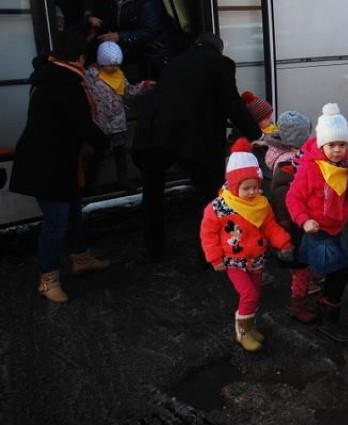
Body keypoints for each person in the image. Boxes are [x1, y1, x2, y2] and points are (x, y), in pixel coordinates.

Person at [132, 33, 262, 262]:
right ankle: (208, 253)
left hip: (151, 134)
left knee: (152, 194)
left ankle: (153, 250)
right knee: (208, 193)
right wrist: (256, 134)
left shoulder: (176, 60)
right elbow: (230, 102)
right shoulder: (221, 63)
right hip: (189, 138)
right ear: (218, 50)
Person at [9, 31, 110, 303]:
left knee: (73, 211)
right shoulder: (65, 84)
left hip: (59, 160)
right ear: (79, 59)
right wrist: (106, 141)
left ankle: (82, 258)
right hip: (47, 164)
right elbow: (82, 126)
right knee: (56, 221)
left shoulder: (49, 75)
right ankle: (48, 279)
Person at [285, 103, 348, 342]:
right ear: (321, 144)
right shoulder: (311, 169)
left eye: (342, 145)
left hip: (336, 230)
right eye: (332, 145)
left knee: (339, 273)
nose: (338, 150)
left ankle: (324, 304)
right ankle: (329, 320)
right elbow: (293, 198)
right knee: (340, 273)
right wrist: (304, 221)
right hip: (317, 232)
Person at [200, 138, 293, 352]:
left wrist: (284, 242)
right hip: (233, 260)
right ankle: (241, 332)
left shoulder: (261, 204)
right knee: (248, 294)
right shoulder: (219, 208)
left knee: (255, 294)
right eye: (247, 188)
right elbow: (208, 233)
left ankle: (249, 327)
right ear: (234, 186)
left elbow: (270, 226)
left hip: (256, 258)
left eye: (256, 187)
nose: (253, 192)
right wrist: (214, 257)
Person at [263, 109, 321, 324]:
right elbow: (287, 199)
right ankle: (298, 304)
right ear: (298, 140)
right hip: (294, 224)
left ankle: (308, 282)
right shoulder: (291, 164)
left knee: (302, 263)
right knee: (300, 267)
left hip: (291, 221)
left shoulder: (276, 154)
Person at [83, 41, 155, 189]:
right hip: (99, 121)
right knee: (98, 153)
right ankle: (90, 183)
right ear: (101, 62)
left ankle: (123, 179)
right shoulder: (90, 76)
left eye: (116, 65)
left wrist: (143, 86)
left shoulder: (119, 76)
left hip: (117, 121)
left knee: (120, 152)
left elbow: (128, 91)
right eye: (110, 65)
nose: (114, 68)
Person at [100, 0, 186, 81]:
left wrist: (119, 36)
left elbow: (150, 32)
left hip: (159, 52)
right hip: (140, 50)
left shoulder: (148, 0)